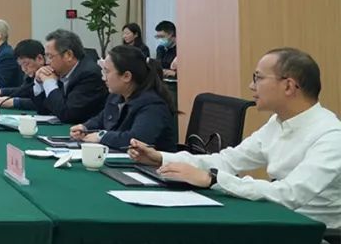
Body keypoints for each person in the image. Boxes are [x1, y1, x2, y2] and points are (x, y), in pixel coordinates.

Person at [130, 48, 341, 230]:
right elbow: (228, 161)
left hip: (314, 239)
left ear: (288, 86)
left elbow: (290, 194)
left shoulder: (331, 136)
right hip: (276, 221)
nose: (251, 86)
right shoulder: (277, 123)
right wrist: (162, 158)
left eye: (258, 78)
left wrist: (213, 179)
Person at [70, 45, 177, 151]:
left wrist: (101, 136)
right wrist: (85, 127)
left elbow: (136, 140)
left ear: (126, 76)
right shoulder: (116, 97)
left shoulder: (153, 105)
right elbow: (102, 118)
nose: (103, 78)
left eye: (107, 71)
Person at [14, 29, 106, 124]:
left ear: (68, 55)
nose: (47, 62)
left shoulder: (89, 74)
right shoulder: (61, 72)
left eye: (50, 56)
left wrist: (49, 83)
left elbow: (68, 115)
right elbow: (44, 110)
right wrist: (39, 83)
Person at [0, 39, 46, 108]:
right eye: (21, 65)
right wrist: (0, 92)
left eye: (26, 64)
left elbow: (46, 103)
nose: (23, 69)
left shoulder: (49, 73)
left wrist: (15, 102)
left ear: (40, 58)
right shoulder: (31, 75)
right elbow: (24, 90)